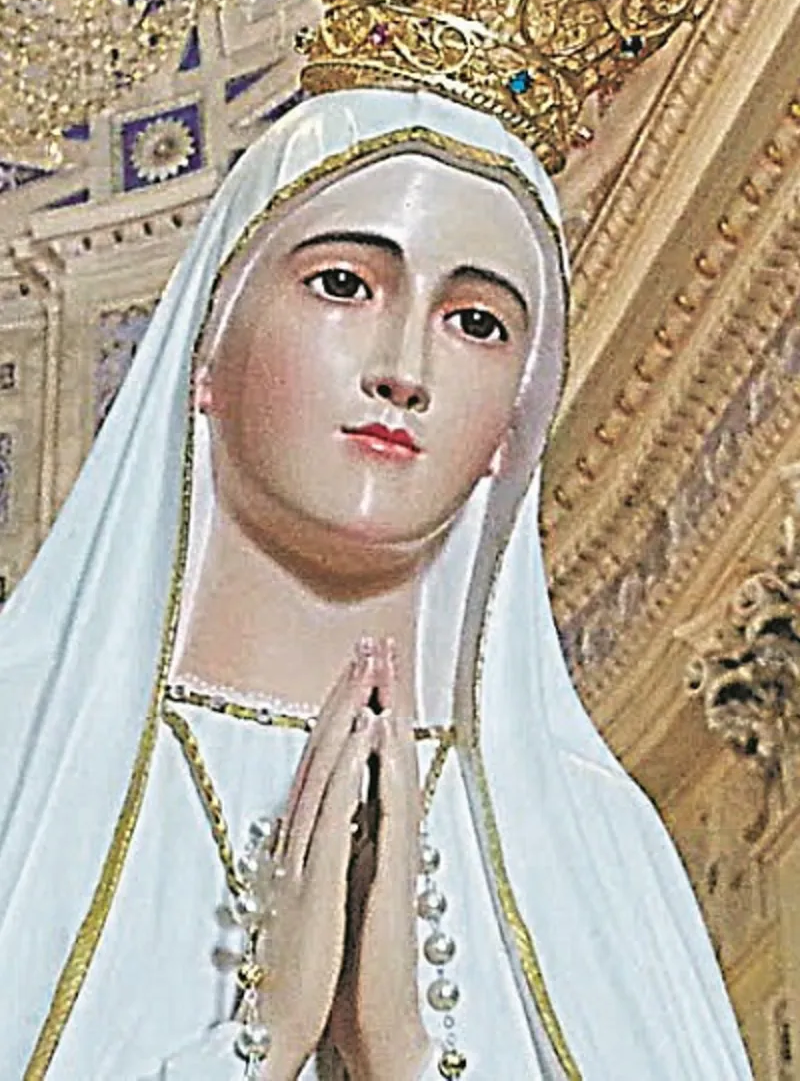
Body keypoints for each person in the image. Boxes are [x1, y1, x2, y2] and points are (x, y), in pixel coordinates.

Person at [0, 89, 752, 1080]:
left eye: (475, 321)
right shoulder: (20, 742)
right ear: (205, 351)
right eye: (344, 284)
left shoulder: (600, 848)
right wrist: (261, 1044)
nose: (403, 370)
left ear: (513, 427)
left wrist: (400, 1053)